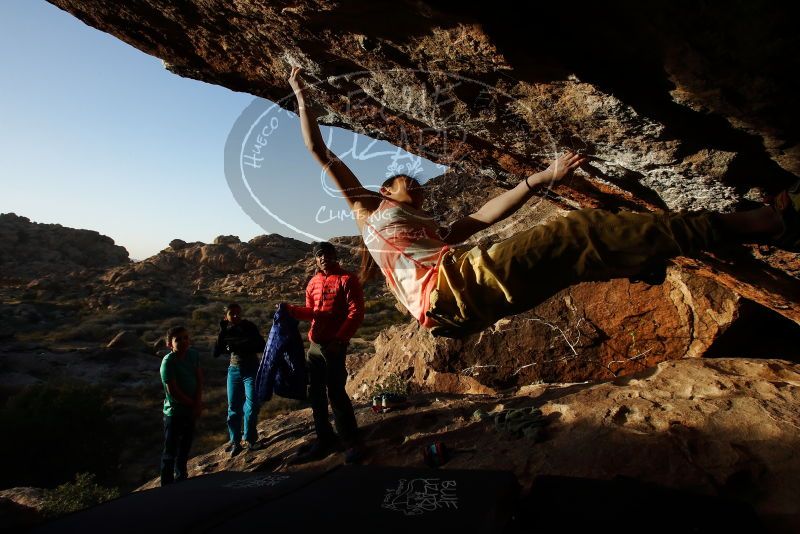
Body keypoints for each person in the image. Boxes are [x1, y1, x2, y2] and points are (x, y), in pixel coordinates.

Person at [288, 66, 796, 337]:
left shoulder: (434, 234)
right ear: (384, 192)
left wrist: (542, 177)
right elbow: (318, 150)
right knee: (581, 232)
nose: (416, 187)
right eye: (405, 184)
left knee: (576, 258)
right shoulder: (366, 211)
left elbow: (486, 214)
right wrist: (302, 95)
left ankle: (641, 256)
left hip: (459, 310)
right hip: (454, 293)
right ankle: (769, 220)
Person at [283, 241, 365, 464]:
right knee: (316, 394)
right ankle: (324, 438)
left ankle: (350, 441)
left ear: (335, 256)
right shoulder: (313, 282)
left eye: (328, 254)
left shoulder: (347, 279)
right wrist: (291, 311)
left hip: (334, 347)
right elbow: (312, 312)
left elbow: (356, 312)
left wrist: (340, 339)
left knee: (336, 393)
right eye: (320, 255)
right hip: (315, 347)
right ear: (315, 259)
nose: (324, 258)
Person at [213, 302, 266, 457]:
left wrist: (241, 345)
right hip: (234, 370)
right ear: (226, 316)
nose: (236, 316)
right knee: (233, 407)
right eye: (232, 313)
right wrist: (222, 332)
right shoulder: (225, 330)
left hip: (251, 369)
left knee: (252, 404)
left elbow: (261, 345)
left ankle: (250, 439)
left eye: (238, 313)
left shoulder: (249, 326)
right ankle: (235, 441)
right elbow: (216, 352)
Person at [159, 325, 203, 485]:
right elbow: (173, 391)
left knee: (185, 446)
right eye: (178, 339)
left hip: (190, 409)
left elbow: (199, 379)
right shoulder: (168, 362)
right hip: (174, 412)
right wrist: (194, 405)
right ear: (169, 344)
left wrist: (197, 403)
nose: (184, 341)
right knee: (170, 450)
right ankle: (166, 483)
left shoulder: (193, 355)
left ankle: (181, 477)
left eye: (186, 338)